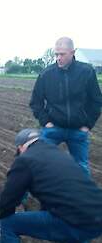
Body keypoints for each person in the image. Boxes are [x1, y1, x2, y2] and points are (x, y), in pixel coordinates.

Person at [0, 128, 102, 243]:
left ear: (21, 147)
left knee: (9, 223)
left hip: (72, 219)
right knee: (70, 219)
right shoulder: (59, 154)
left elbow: (7, 200)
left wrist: (3, 220)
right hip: (97, 216)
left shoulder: (26, 160)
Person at [30, 37, 102, 175]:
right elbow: (35, 102)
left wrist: (87, 125)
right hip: (53, 129)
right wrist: (46, 122)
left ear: (72, 52)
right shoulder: (46, 74)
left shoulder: (86, 72)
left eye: (62, 54)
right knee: (39, 162)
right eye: (56, 54)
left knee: (81, 167)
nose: (58, 58)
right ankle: (39, 193)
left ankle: (81, 194)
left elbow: (96, 100)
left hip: (78, 130)